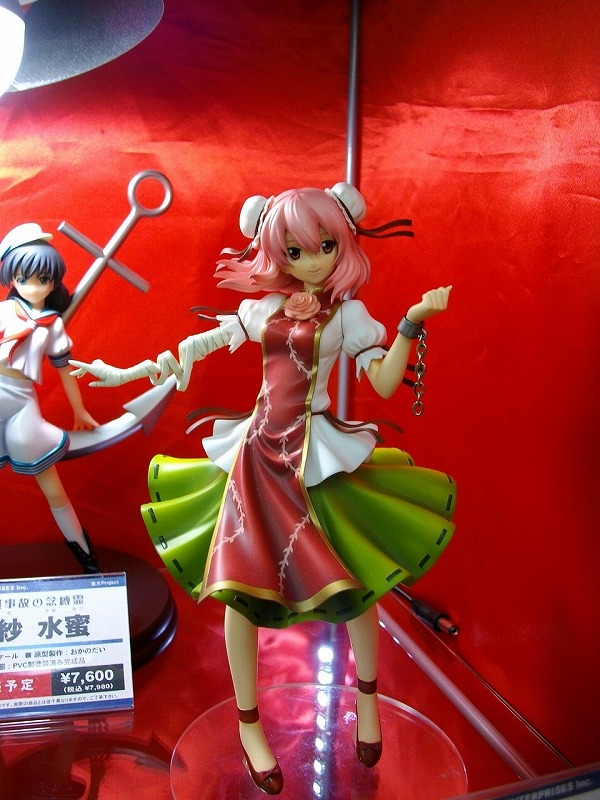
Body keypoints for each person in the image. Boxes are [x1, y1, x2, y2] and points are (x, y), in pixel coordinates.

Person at [71, 183, 455, 794]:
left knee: (356, 582)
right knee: (238, 587)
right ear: (276, 253)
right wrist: (127, 372)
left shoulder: (348, 316)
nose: (314, 261)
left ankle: (368, 700)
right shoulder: (262, 310)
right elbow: (192, 349)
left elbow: (384, 384)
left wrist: (410, 323)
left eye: (326, 246)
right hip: (257, 454)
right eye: (296, 250)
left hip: (317, 456)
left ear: (344, 242)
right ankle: (249, 725)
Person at [0, 223, 101, 574]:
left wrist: (79, 410)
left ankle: (87, 559)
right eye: (23, 278)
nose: (33, 287)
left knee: (53, 490)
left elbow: (64, 369)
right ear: (11, 278)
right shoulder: (4, 312)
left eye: (42, 279)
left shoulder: (52, 325)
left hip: (22, 406)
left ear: (53, 281)